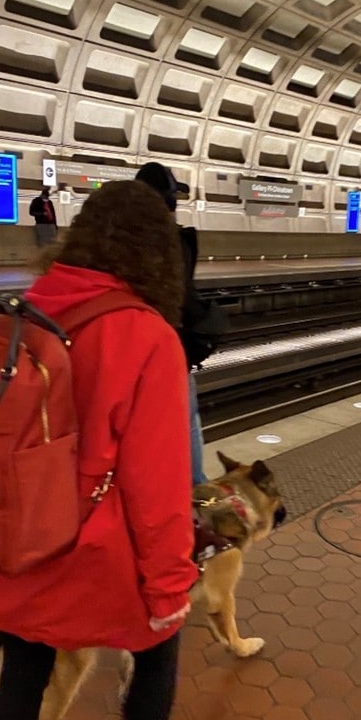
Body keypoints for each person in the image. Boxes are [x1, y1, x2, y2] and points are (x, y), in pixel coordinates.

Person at [0, 180, 198, 720]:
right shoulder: (147, 336)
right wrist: (167, 587)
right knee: (157, 650)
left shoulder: (25, 307)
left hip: (17, 534)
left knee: (22, 674)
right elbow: (155, 488)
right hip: (94, 548)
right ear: (156, 252)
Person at [135, 162, 223, 486]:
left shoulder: (113, 241)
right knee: (186, 421)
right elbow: (182, 298)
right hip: (167, 348)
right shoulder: (172, 242)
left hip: (128, 353)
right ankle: (196, 494)